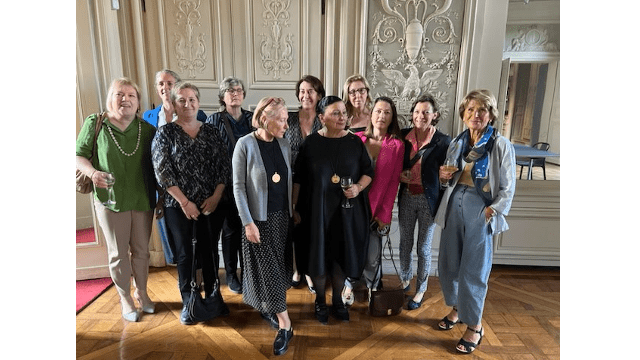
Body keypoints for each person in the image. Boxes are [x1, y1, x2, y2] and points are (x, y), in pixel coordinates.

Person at [436, 89, 516, 354]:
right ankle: (458, 309)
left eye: (481, 110)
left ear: (490, 114)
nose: (475, 114)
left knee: (474, 268)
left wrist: (493, 210)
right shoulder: (458, 143)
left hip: (480, 209)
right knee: (449, 262)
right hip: (454, 204)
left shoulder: (500, 145)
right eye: (470, 110)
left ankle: (475, 326)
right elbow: (448, 179)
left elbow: (508, 186)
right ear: (463, 114)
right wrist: (443, 178)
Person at [76, 77, 157, 322]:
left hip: (142, 198)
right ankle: (125, 298)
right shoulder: (96, 123)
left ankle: (141, 293)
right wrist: (92, 172)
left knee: (142, 251)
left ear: (138, 101)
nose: (125, 99)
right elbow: (78, 155)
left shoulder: (147, 129)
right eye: (119, 94)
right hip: (109, 200)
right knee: (118, 253)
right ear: (110, 99)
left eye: (131, 95)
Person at [152, 82, 231, 325]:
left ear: (198, 102)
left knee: (209, 251)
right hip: (179, 207)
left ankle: (214, 296)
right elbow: (162, 173)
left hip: (211, 204)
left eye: (192, 99)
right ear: (174, 104)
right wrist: (185, 202)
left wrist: (217, 197)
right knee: (186, 253)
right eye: (182, 100)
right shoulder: (165, 133)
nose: (188, 104)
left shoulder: (211, 132)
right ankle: (189, 300)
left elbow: (224, 168)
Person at [293, 96, 374, 324]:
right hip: (315, 212)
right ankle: (320, 299)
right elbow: (298, 178)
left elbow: (369, 172)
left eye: (343, 113)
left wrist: (358, 187)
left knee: (340, 257)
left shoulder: (355, 142)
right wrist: (293, 207)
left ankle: (337, 300)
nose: (342, 118)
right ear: (321, 118)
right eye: (335, 113)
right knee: (318, 256)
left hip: (346, 212)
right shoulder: (310, 143)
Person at [232, 97, 294, 356]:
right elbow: (238, 187)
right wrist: (247, 222)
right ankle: (286, 324)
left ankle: (272, 307)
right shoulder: (244, 144)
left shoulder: (284, 143)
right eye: (282, 120)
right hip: (258, 221)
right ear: (265, 119)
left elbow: (288, 180)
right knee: (267, 270)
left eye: (287, 119)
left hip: (282, 218)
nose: (286, 125)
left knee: (278, 270)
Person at [142, 69, 207, 266]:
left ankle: (196, 275)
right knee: (171, 235)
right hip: (161, 185)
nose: (165, 88)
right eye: (161, 84)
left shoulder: (199, 114)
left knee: (195, 236)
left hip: (191, 186)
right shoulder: (149, 116)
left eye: (170, 83)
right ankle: (182, 272)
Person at [345, 97, 404, 305]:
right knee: (351, 249)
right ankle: (348, 285)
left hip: (376, 209)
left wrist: (384, 215)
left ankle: (372, 289)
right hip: (352, 207)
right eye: (378, 111)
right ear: (371, 114)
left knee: (372, 255)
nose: (382, 116)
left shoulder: (397, 145)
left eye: (387, 112)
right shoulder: (356, 139)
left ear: (391, 117)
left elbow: (393, 183)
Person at [397, 95, 451, 311]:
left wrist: (444, 178)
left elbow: (448, 175)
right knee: (405, 244)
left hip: (428, 200)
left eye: (426, 112)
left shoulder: (443, 141)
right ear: (412, 114)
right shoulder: (402, 137)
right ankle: (405, 281)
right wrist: (399, 175)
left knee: (423, 247)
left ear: (434, 115)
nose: (421, 116)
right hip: (407, 196)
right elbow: (392, 166)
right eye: (417, 112)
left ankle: (420, 289)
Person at [205, 76, 254, 295]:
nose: (234, 94)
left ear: (243, 94)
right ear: (222, 97)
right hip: (224, 186)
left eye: (238, 90)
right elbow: (208, 155)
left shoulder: (253, 119)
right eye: (229, 91)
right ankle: (232, 275)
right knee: (229, 232)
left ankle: (249, 274)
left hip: (250, 185)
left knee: (248, 230)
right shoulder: (214, 121)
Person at [284, 75, 325, 294]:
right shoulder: (288, 119)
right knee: (292, 228)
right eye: (302, 91)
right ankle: (296, 269)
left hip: (315, 184)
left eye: (310, 91)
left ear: (319, 95)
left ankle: (309, 270)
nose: (305, 95)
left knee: (311, 229)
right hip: (289, 182)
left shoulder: (324, 119)